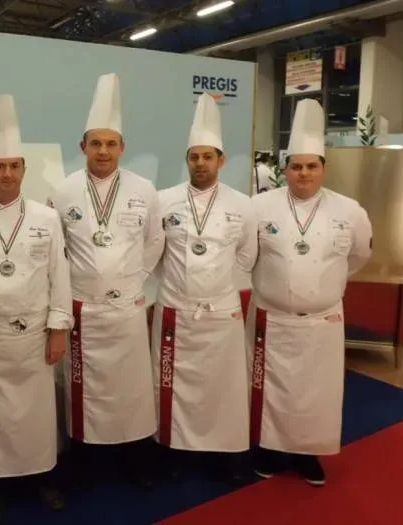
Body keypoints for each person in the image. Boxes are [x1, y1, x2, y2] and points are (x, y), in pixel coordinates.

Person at [0, 94, 73, 520]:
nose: (7, 174)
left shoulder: (46, 218)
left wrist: (59, 328)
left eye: (14, 166)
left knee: (38, 415)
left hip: (36, 334)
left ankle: (43, 477)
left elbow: (59, 275)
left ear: (24, 169)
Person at [247, 98, 373, 487]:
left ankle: (308, 455)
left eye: (311, 166)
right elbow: (245, 256)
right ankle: (268, 449)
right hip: (271, 318)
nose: (303, 173)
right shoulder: (258, 206)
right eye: (296, 166)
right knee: (271, 391)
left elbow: (359, 256)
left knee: (317, 393)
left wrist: (323, 287)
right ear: (285, 168)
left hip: (322, 321)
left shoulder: (350, 211)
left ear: (324, 168)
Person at [48, 72, 165, 487]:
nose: (103, 151)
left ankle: (137, 460)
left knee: (132, 390)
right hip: (84, 310)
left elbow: (155, 240)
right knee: (84, 391)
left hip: (127, 308)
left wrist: (136, 276)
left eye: (110, 143)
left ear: (122, 147)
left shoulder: (144, 189)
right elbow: (55, 252)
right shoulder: (62, 191)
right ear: (82, 146)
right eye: (95, 143)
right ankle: (85, 462)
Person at [151, 93, 257, 482]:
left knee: (223, 386)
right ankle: (173, 450)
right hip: (175, 309)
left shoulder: (243, 205)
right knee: (172, 385)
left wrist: (216, 285)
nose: (200, 163)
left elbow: (247, 255)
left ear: (220, 161)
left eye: (207, 156)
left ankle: (225, 452)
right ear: (187, 160)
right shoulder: (163, 201)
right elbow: (154, 252)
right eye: (194, 156)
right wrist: (180, 284)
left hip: (221, 311)